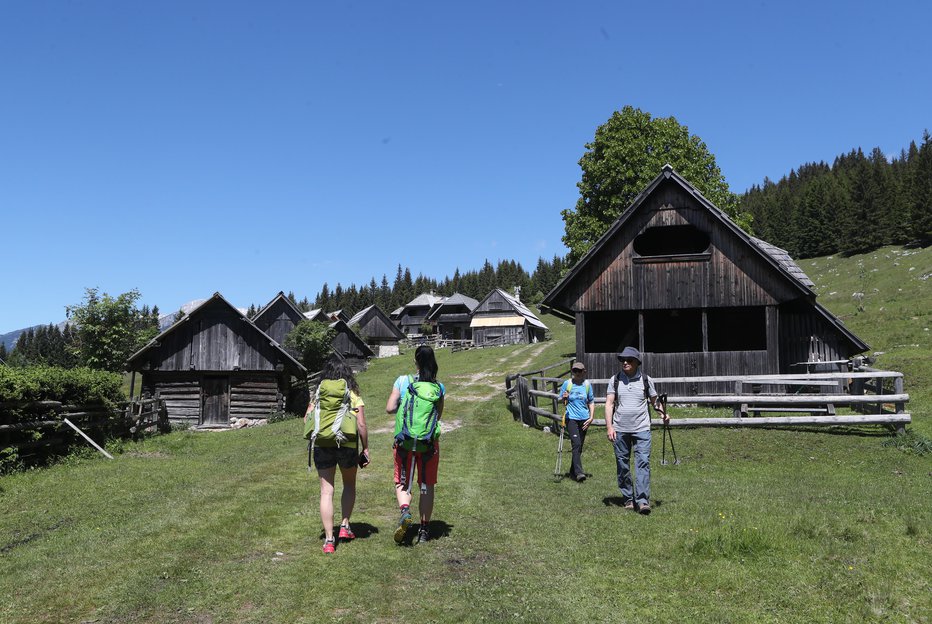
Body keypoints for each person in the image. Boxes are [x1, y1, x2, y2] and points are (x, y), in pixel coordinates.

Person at [306, 357, 369, 554]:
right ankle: (344, 526)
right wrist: (365, 448)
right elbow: (361, 425)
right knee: (349, 484)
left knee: (326, 491)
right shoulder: (353, 395)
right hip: (348, 445)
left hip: (323, 444)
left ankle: (329, 540)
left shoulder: (318, 395)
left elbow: (306, 418)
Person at [385, 345, 445, 545]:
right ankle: (424, 530)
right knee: (426, 486)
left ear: (415, 361)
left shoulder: (403, 381)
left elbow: (389, 408)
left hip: (404, 442)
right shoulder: (438, 388)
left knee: (403, 482)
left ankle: (404, 511)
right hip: (428, 445)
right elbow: (438, 416)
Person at [604, 346, 667, 514]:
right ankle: (628, 499)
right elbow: (609, 403)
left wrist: (663, 414)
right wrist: (609, 426)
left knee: (643, 463)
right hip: (620, 429)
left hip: (642, 429)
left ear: (637, 362)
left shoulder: (646, 380)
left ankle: (642, 501)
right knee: (622, 464)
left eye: (629, 360)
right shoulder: (615, 379)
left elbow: (655, 402)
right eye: (623, 360)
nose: (625, 362)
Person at [559, 361, 595, 482]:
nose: (577, 373)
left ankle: (572, 471)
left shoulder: (587, 385)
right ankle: (579, 473)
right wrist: (564, 398)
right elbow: (561, 399)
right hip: (571, 418)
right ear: (572, 372)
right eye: (575, 371)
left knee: (579, 447)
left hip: (584, 419)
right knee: (576, 444)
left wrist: (591, 417)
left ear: (584, 372)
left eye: (580, 371)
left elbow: (591, 401)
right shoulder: (567, 384)